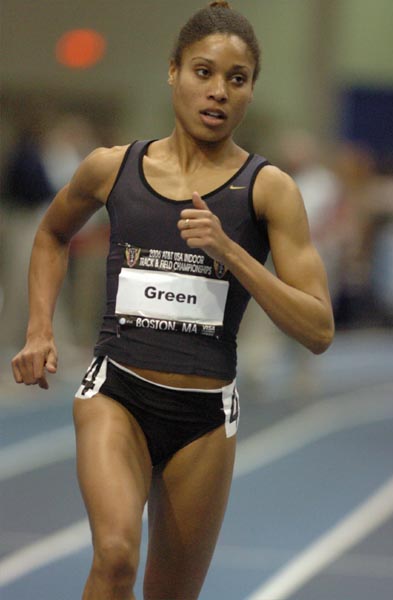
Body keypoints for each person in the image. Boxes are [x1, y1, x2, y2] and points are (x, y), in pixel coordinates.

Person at [11, 2, 334, 599]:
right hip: (117, 393)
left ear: (251, 92)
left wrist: (233, 254)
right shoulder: (113, 168)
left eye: (236, 80)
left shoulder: (270, 190)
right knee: (113, 557)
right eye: (203, 72)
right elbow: (52, 233)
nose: (218, 92)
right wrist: (39, 329)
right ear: (173, 73)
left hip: (204, 417)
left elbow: (318, 330)